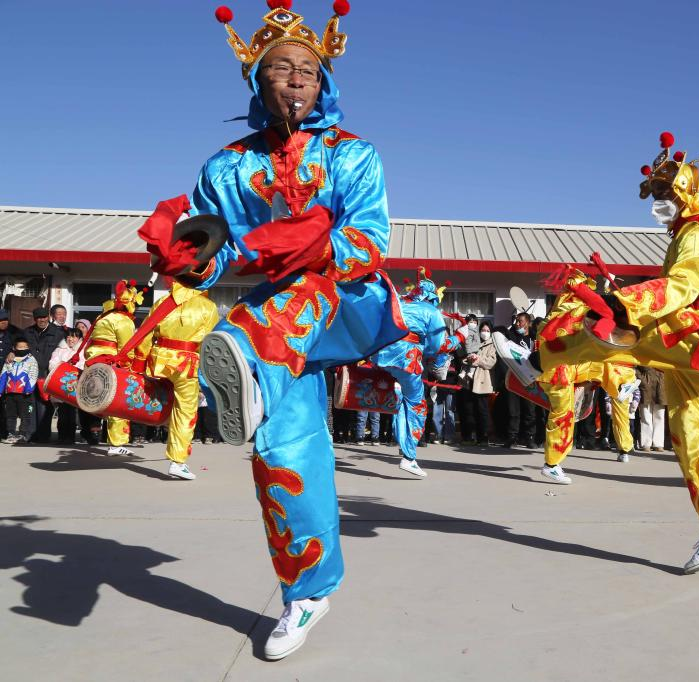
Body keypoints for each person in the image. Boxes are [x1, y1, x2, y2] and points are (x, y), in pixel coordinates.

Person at [136, 2, 406, 660]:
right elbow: (216, 248)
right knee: (282, 454)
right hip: (273, 321)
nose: (295, 78)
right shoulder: (226, 167)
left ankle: (243, 363)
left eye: (307, 69)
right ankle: (307, 592)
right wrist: (190, 257)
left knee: (283, 304)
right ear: (257, 81)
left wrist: (308, 246)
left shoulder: (353, 154)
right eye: (280, 68)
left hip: (344, 298)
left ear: (324, 81)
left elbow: (370, 237)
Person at [498, 133, 699, 573]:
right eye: (654, 195)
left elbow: (682, 287)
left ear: (683, 192)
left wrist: (624, 305)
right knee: (690, 430)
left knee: (607, 327)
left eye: (663, 194)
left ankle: (536, 362)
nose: (657, 203)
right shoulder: (693, 232)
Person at [369, 270, 465, 477]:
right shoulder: (430, 311)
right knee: (417, 404)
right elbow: (438, 346)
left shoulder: (399, 302)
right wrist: (460, 336)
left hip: (380, 355)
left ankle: (401, 433)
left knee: (404, 397)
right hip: (406, 359)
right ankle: (409, 457)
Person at [131, 281, 219, 480]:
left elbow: (145, 334)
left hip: (160, 360)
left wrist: (138, 364)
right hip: (187, 364)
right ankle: (178, 461)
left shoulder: (163, 301)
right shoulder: (208, 306)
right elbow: (210, 342)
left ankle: (144, 432)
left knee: (155, 399)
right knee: (185, 410)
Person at [83, 281, 142, 456]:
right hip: (111, 363)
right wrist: (131, 368)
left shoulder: (103, 317)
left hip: (94, 360)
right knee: (118, 403)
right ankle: (117, 443)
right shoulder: (123, 321)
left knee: (103, 401)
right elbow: (127, 349)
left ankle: (109, 440)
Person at [23, 306, 64, 443]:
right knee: (30, 405)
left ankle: (43, 435)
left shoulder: (58, 333)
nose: (42, 320)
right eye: (39, 318)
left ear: (48, 317)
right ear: (35, 319)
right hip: (30, 375)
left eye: (44, 317)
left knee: (44, 406)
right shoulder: (27, 332)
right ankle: (30, 434)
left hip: (47, 375)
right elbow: (18, 347)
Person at [502, 312, 536, 448]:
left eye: (520, 321)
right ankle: (512, 437)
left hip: (530, 380)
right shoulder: (513, 337)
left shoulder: (535, 339)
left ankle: (529, 438)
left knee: (530, 411)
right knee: (513, 411)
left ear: (528, 323)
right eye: (516, 321)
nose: (517, 324)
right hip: (514, 378)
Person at [48, 327, 86, 445]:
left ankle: (71, 437)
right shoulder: (59, 350)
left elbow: (82, 365)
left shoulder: (82, 351)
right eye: (69, 336)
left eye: (74, 336)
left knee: (72, 413)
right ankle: (62, 436)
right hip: (61, 385)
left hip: (75, 385)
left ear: (79, 338)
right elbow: (52, 364)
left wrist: (70, 369)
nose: (71, 339)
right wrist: (63, 367)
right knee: (62, 413)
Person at [464, 320, 497, 446]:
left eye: (488, 330)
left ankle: (484, 437)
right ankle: (476, 436)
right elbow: (466, 357)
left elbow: (491, 362)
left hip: (483, 381)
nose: (485, 333)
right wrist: (469, 359)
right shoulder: (475, 343)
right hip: (471, 379)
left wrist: (477, 359)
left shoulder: (493, 345)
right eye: (483, 330)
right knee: (472, 410)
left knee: (483, 410)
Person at [1, 338, 37, 443]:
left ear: (28, 347)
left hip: (24, 394)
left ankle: (23, 435)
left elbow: (33, 375)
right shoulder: (10, 359)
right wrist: (0, 389)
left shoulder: (31, 360)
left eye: (25, 347)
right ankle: (11, 434)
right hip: (10, 393)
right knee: (10, 416)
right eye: (20, 347)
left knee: (25, 416)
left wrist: (29, 389)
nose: (22, 349)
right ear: (14, 348)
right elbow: (3, 375)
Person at [636, 365, 665, 452]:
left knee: (659, 416)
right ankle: (646, 443)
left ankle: (658, 443)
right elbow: (635, 366)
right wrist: (642, 380)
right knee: (645, 416)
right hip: (646, 384)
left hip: (660, 384)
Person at [0, 310, 19, 441]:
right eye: (1, 320)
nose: (4, 322)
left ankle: (4, 433)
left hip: (8, 376)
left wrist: (14, 352)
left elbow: (23, 347)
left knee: (6, 407)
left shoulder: (15, 333)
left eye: (6, 320)